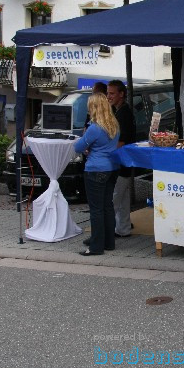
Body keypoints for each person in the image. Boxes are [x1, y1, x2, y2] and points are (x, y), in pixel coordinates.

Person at [74, 93, 120, 256]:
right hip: (111, 168)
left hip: (95, 169)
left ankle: (96, 246)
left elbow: (78, 147)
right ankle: (109, 242)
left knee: (96, 210)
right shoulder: (114, 124)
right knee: (107, 206)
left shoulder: (94, 128)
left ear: (94, 108)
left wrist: (88, 147)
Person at [107, 79, 136, 237]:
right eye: (108, 93)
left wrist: (105, 151)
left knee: (113, 200)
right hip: (124, 162)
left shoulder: (123, 114)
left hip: (120, 163)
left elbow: (121, 141)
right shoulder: (119, 111)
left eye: (111, 93)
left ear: (121, 94)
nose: (108, 96)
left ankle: (104, 232)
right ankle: (123, 229)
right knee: (123, 198)